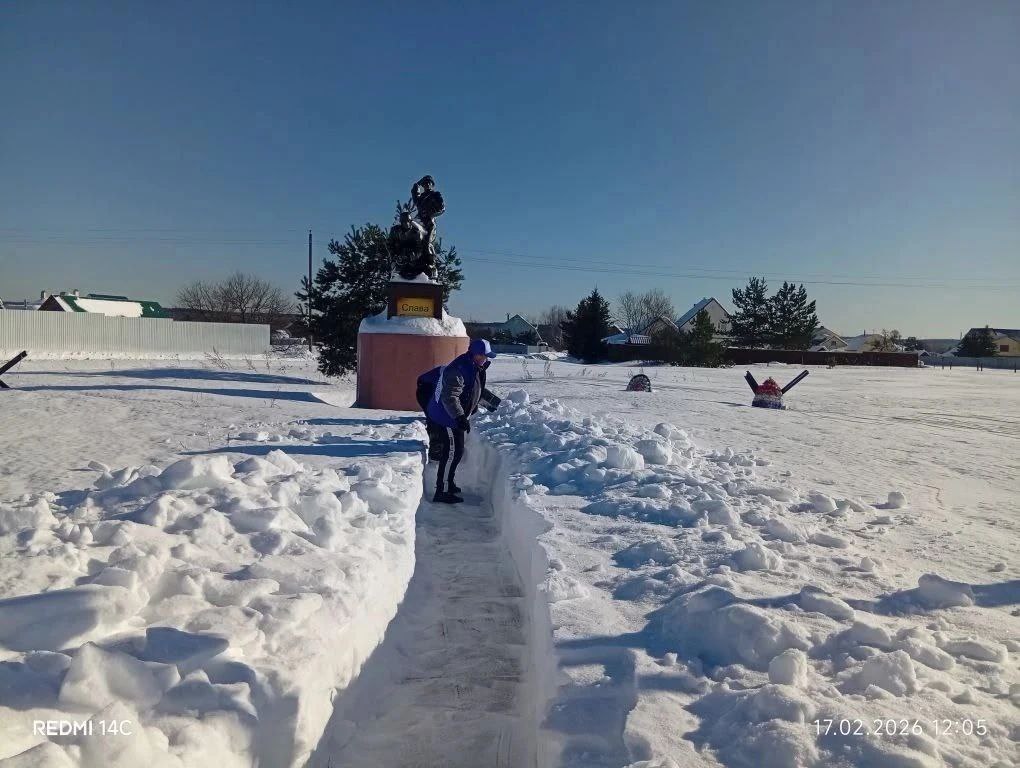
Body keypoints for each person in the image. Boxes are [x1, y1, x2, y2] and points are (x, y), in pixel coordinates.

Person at [425, 338, 496, 503]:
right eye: (482, 355)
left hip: (455, 415)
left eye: (486, 356)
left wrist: (472, 408)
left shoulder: (474, 366)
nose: (485, 359)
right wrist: (459, 417)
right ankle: (441, 491)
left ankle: (448, 483)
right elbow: (450, 397)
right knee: (451, 453)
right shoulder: (459, 368)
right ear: (474, 354)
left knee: (457, 451)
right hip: (447, 416)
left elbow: (473, 390)